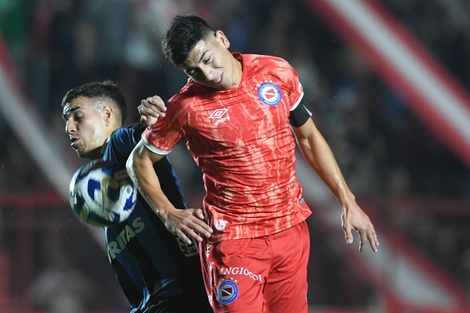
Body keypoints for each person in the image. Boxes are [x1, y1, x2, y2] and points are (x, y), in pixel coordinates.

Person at [127, 14, 380, 313]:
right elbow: (139, 162)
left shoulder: (277, 71)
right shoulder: (185, 108)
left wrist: (347, 201)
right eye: (193, 71)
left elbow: (309, 137)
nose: (208, 73)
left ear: (221, 39)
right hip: (233, 242)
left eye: (207, 59)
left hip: (290, 230)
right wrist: (168, 213)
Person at [61, 81, 212, 313]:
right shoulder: (106, 179)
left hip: (180, 297)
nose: (69, 128)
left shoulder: (121, 142)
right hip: (150, 306)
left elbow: (148, 138)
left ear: (107, 114)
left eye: (77, 116)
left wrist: (156, 123)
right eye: (66, 121)